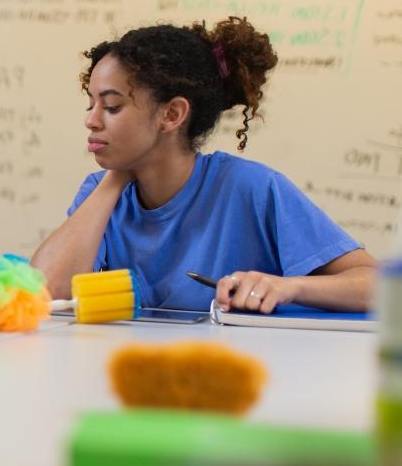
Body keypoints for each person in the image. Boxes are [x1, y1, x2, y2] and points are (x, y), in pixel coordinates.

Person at [31, 17, 375, 313]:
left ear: (172, 114)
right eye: (90, 103)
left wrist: (290, 287)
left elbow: (379, 285)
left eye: (111, 107)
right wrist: (116, 175)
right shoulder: (100, 192)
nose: (90, 121)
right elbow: (44, 292)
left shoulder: (252, 188)